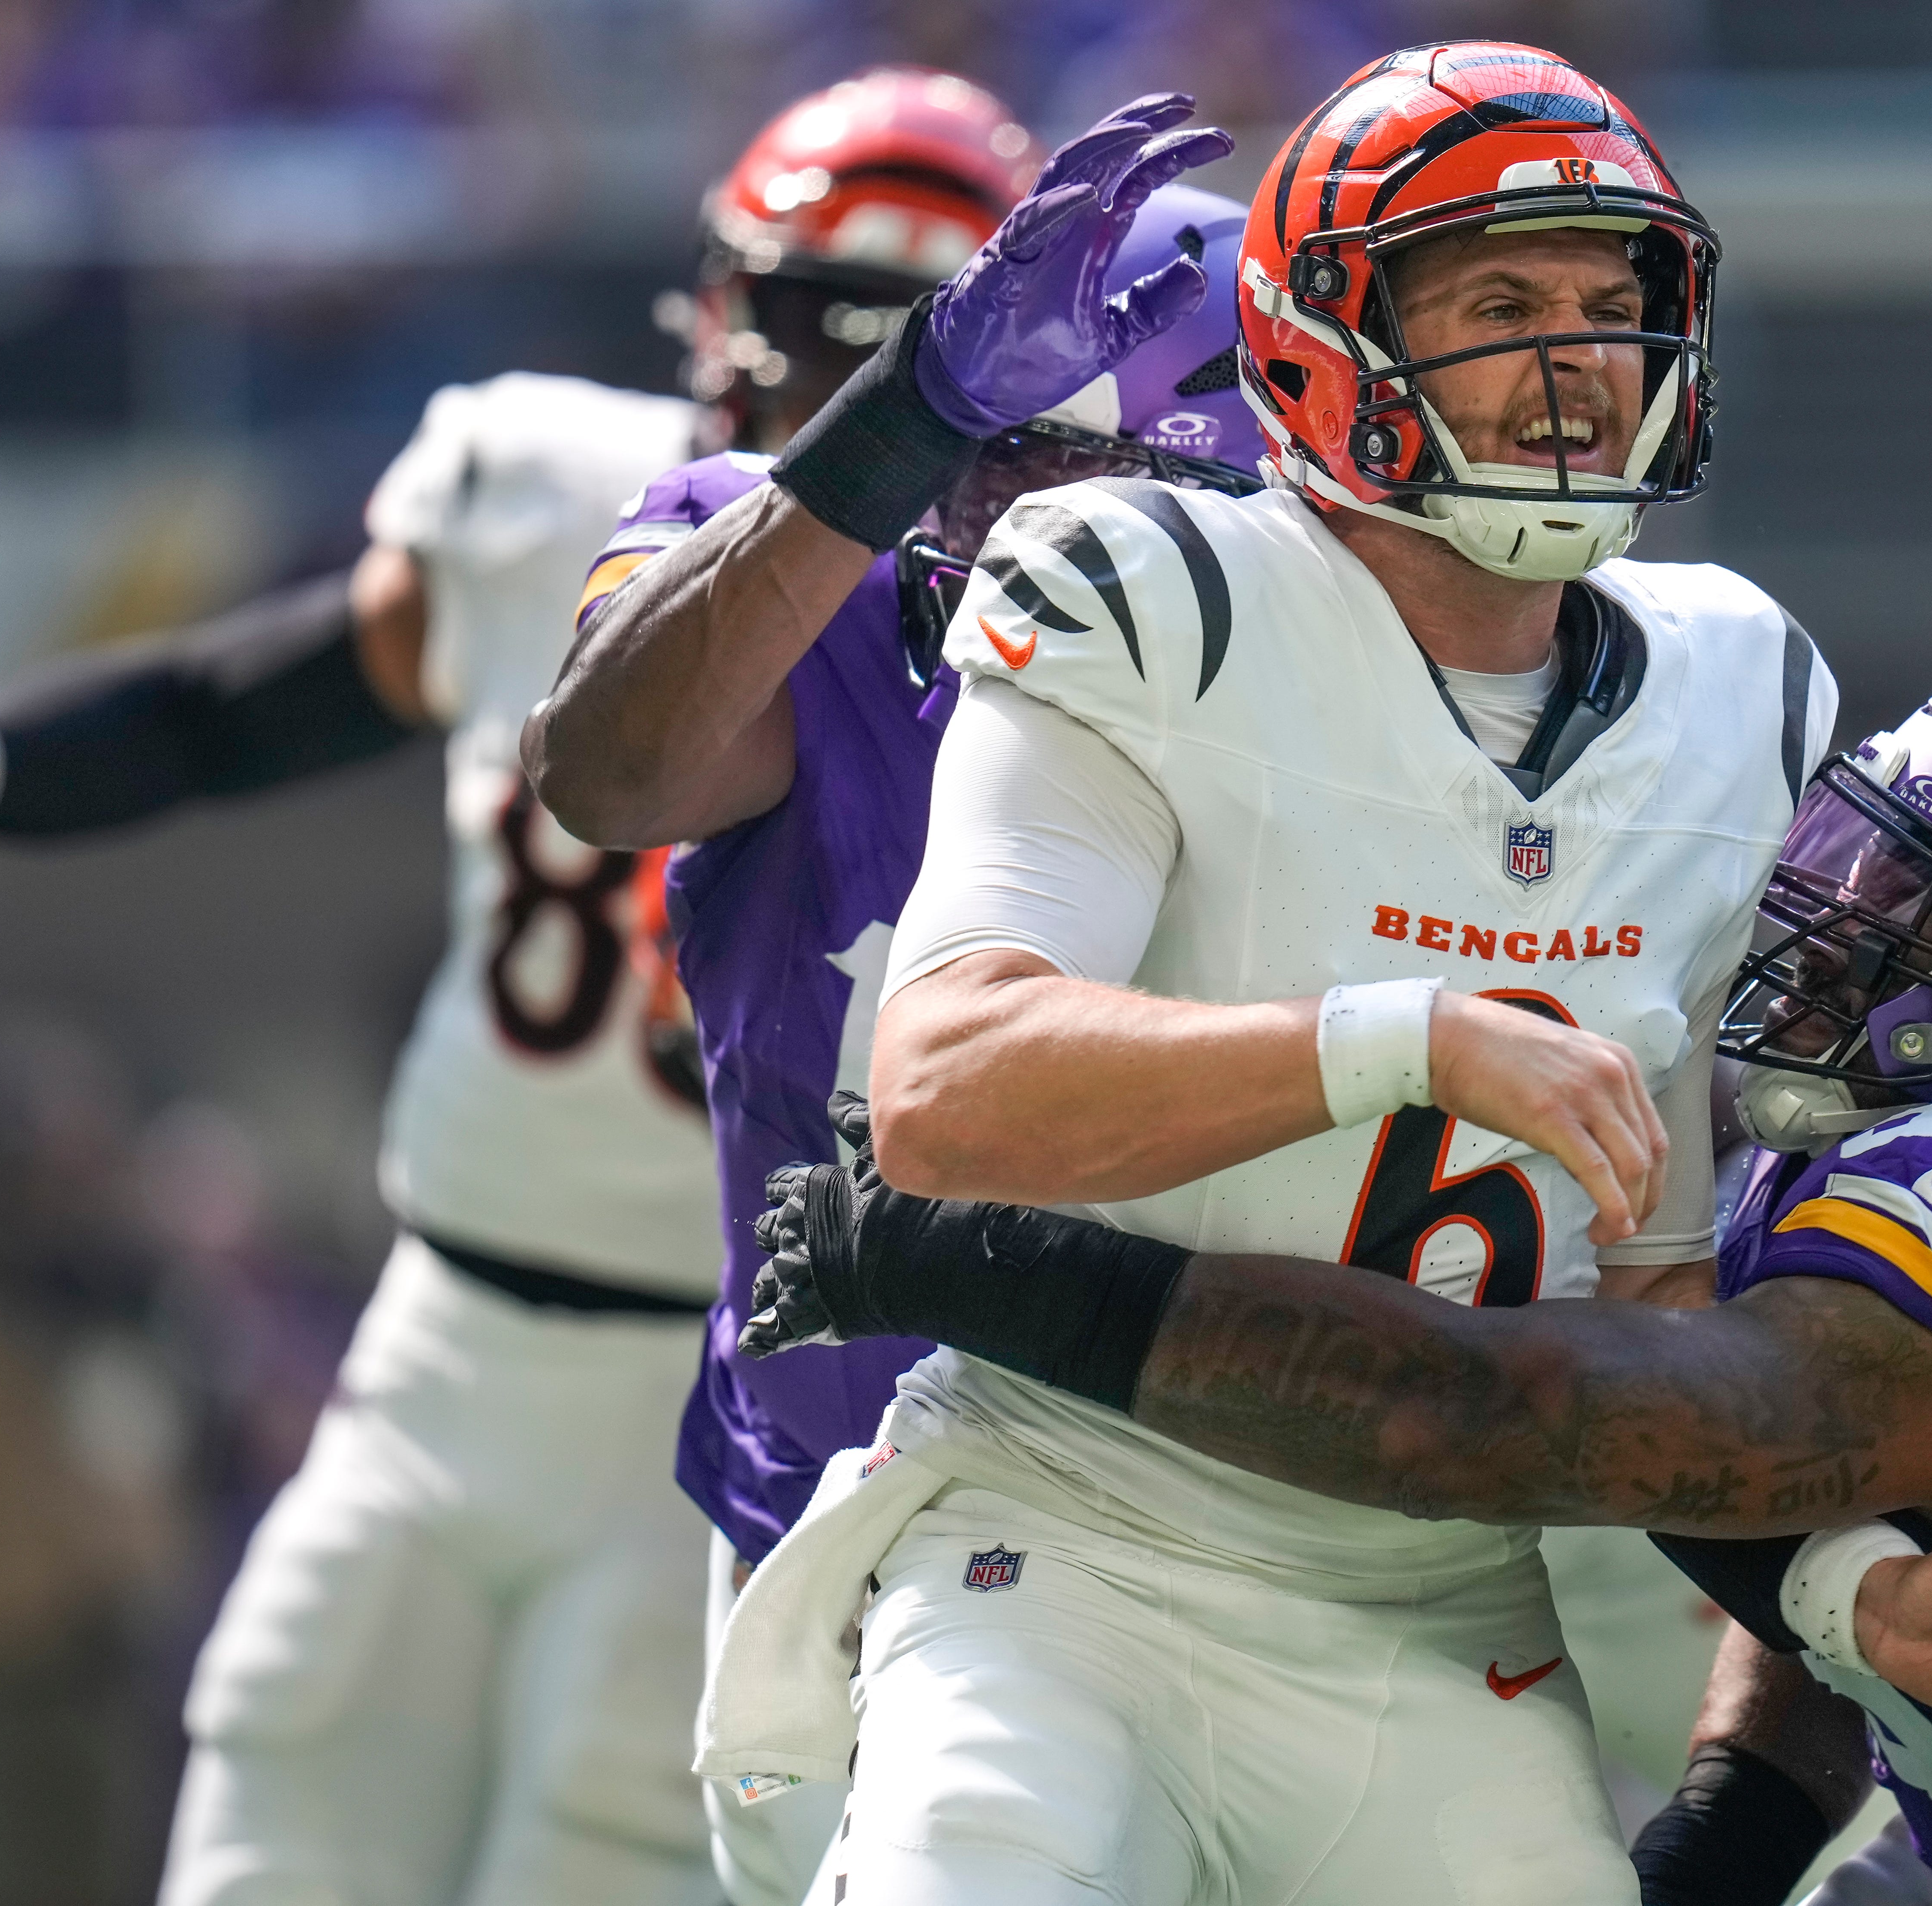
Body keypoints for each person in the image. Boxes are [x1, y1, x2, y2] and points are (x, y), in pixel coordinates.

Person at [0, 68, 1035, 1906]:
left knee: (609, 1843)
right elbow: (261, 702)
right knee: (278, 1787)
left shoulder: (1045, 611)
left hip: (738, 1389)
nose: (807, 370)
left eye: (876, 338)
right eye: (803, 314)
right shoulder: (558, 489)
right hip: (443, 1342)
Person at [750, 654, 1932, 1906]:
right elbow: (1844, 1487)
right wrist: (1740, 1829)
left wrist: (985, 1263)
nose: (1832, 907)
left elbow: (1506, 1419)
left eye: (1917, 892)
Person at [703, 39, 1860, 1905]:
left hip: (1440, 1595)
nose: (1576, 355)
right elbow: (942, 1084)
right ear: (1326, 333)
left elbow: (1673, 1310)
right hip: (1069, 1542)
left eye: (1608, 300)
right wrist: (1396, 1040)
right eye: (1499, 302)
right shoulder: (1155, 589)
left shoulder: (1745, 688)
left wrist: (1859, 1597)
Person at [523, 93, 1251, 1902]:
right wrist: (902, 420)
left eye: (1106, 493)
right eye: (989, 466)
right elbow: (608, 770)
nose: (1024, 538)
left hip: (1240, 1528)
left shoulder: (1338, 679)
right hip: (842, 1527)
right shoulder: (783, 567)